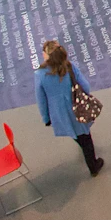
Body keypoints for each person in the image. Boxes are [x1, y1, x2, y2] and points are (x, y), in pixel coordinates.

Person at [34, 43, 103, 180]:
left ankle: (81, 145)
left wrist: (46, 118)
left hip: (59, 114)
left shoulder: (40, 75)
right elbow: (86, 86)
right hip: (76, 110)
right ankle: (93, 166)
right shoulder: (69, 67)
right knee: (86, 138)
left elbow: (41, 100)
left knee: (76, 136)